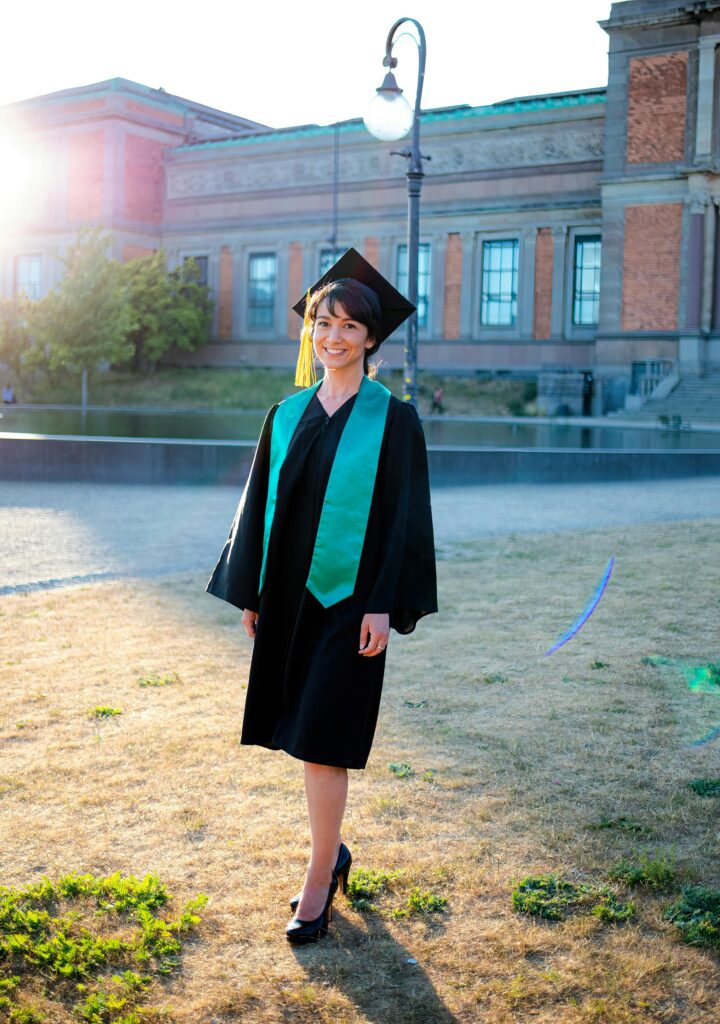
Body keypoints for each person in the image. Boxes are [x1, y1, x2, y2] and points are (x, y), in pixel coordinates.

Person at [205, 247, 438, 944]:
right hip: (290, 596)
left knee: (322, 740)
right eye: (321, 323)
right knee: (302, 733)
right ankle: (332, 852)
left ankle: (317, 876)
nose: (332, 337)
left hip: (351, 602)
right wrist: (252, 591)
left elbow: (405, 517)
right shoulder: (287, 413)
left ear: (371, 338)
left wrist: (382, 604)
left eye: (347, 327)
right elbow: (258, 506)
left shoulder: (393, 421)